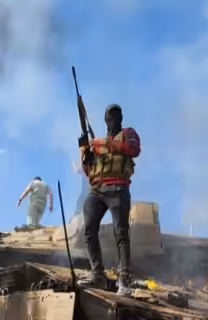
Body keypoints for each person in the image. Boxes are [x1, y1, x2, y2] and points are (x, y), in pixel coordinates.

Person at [77, 104, 141, 297]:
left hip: (118, 187)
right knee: (88, 229)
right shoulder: (99, 144)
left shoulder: (127, 133)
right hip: (97, 190)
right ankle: (97, 273)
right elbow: (90, 171)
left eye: (116, 116)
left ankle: (124, 279)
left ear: (120, 118)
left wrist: (105, 144)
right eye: (110, 116)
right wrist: (85, 153)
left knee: (121, 233)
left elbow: (134, 149)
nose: (113, 119)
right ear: (105, 120)